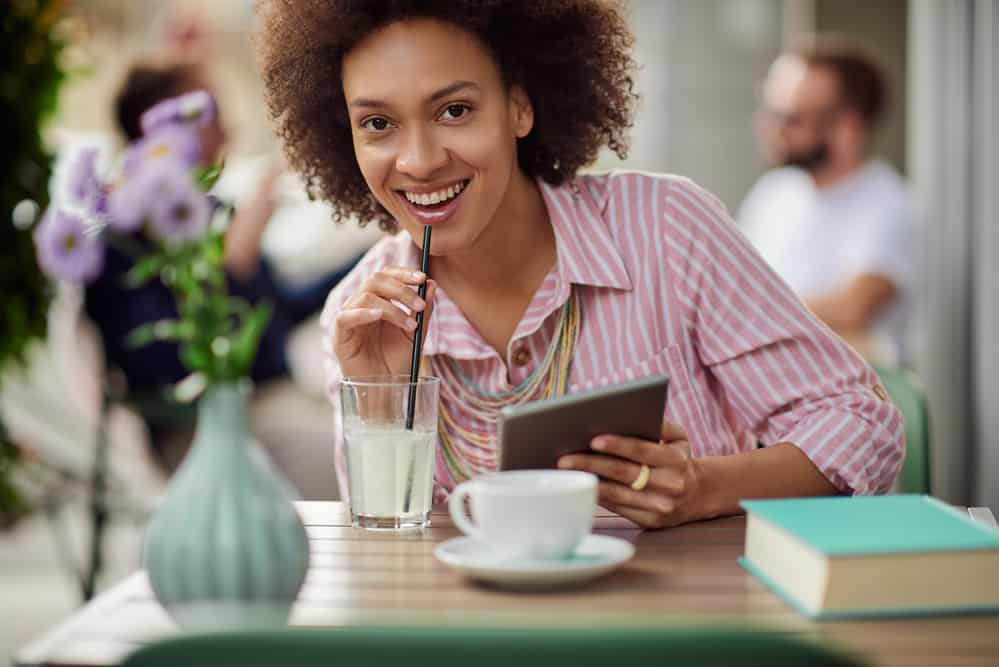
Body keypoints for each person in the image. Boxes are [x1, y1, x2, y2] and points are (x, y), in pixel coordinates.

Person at [256, 1, 903, 529]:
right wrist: (384, 402)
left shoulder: (664, 228)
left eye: (454, 110)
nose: (419, 160)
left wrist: (704, 486)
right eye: (377, 123)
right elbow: (389, 560)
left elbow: (862, 422)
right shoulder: (361, 311)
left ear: (519, 106)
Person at [85, 60, 359, 464]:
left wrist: (366, 262)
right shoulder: (123, 237)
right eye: (206, 111)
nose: (227, 128)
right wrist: (228, 267)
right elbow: (159, 364)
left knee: (372, 436)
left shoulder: (209, 212)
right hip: (207, 429)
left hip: (273, 408)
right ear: (158, 129)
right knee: (363, 460)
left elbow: (275, 307)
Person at [739, 36, 918, 366]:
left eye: (791, 118)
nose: (769, 128)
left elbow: (853, 309)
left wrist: (746, 311)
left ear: (847, 127)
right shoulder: (772, 194)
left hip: (856, 397)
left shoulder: (888, 202)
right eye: (770, 111)